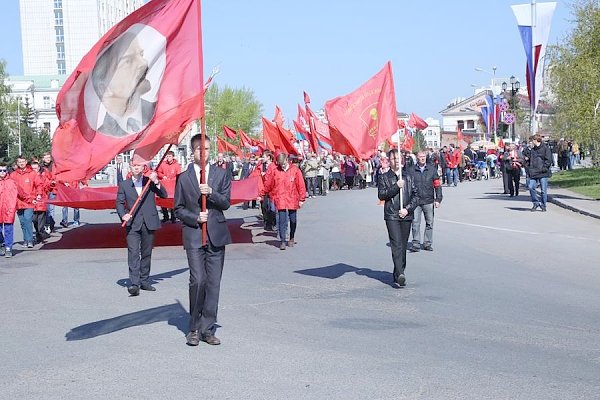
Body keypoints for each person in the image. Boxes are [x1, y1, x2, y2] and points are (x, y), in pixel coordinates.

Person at [174, 134, 232, 347]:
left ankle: (208, 329)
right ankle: (194, 327)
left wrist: (212, 193)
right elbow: (178, 209)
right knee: (198, 281)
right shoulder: (184, 178)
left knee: (213, 284)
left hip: (216, 235)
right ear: (193, 152)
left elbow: (226, 203)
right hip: (194, 236)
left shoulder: (221, 174)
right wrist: (195, 217)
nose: (204, 152)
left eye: (207, 149)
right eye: (200, 149)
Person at [116, 159, 167, 296]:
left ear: (143, 167)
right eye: (134, 165)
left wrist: (156, 182)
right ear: (130, 167)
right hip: (132, 224)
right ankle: (134, 283)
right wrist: (123, 215)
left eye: (138, 165)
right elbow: (119, 203)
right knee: (133, 253)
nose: (136, 168)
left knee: (146, 253)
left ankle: (144, 280)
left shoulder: (149, 182)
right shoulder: (124, 185)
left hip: (149, 221)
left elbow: (164, 195)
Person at [378, 149, 419, 287]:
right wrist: (396, 186)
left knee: (402, 245)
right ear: (389, 161)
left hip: (405, 214)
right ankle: (401, 274)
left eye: (398, 158)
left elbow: (416, 196)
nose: (396, 160)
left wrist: (407, 209)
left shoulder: (409, 176)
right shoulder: (384, 177)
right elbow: (382, 195)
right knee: (396, 244)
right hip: (391, 215)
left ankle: (398, 273)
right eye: (393, 158)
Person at [260, 152, 306, 250]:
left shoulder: (295, 170)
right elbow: (269, 184)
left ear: (286, 160)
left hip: (292, 198)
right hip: (280, 198)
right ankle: (283, 240)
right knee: (281, 220)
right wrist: (262, 194)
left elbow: (301, 185)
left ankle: (292, 237)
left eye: (283, 163)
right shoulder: (276, 171)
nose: (282, 165)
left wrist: (302, 199)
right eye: (280, 164)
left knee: (293, 220)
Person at [409, 151, 443, 252]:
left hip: (428, 200)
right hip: (416, 201)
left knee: (430, 223)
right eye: (420, 157)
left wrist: (438, 199)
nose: (422, 158)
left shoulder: (432, 170)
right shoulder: (411, 170)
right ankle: (416, 243)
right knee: (415, 223)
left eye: (424, 156)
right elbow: (408, 186)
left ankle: (427, 243)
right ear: (417, 158)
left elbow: (437, 185)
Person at [10, 155, 41, 248]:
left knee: (28, 219)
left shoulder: (32, 173)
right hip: (18, 202)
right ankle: (25, 240)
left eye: (23, 161)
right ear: (17, 163)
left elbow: (39, 184)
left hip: (29, 201)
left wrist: (38, 194)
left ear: (26, 161)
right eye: (19, 162)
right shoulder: (13, 175)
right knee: (22, 222)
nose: (21, 163)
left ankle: (30, 240)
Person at [524, 134, 553, 212]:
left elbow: (548, 160)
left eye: (532, 140)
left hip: (543, 172)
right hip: (533, 172)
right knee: (530, 187)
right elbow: (529, 160)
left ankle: (543, 205)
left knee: (543, 190)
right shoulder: (532, 150)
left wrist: (544, 168)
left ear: (536, 140)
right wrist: (527, 165)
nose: (531, 142)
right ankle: (535, 202)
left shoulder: (545, 148)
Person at [156, 150, 181, 222]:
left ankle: (173, 217)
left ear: (173, 157)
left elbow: (178, 175)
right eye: (167, 156)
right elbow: (158, 172)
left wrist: (172, 179)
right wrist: (163, 176)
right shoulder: (162, 164)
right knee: (163, 200)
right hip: (164, 185)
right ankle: (165, 216)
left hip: (173, 187)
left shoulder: (177, 165)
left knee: (172, 202)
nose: (168, 158)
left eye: (170, 156)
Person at [0, 162, 18, 258]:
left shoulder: (12, 182)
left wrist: (32, 199)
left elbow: (21, 194)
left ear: (7, 171)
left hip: (9, 210)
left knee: (8, 230)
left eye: (4, 170)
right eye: (0, 170)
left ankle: (8, 248)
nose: (2, 172)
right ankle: (2, 243)